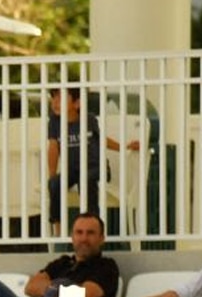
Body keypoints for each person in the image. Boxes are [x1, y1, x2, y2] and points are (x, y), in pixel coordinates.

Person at [46, 87, 139, 235]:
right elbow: (53, 148)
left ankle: (93, 224)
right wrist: (52, 176)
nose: (55, 102)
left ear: (77, 103)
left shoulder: (88, 119)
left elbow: (102, 139)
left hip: (95, 166)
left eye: (61, 98)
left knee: (86, 179)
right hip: (73, 169)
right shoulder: (54, 122)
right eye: (53, 97)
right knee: (54, 184)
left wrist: (124, 147)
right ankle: (58, 230)